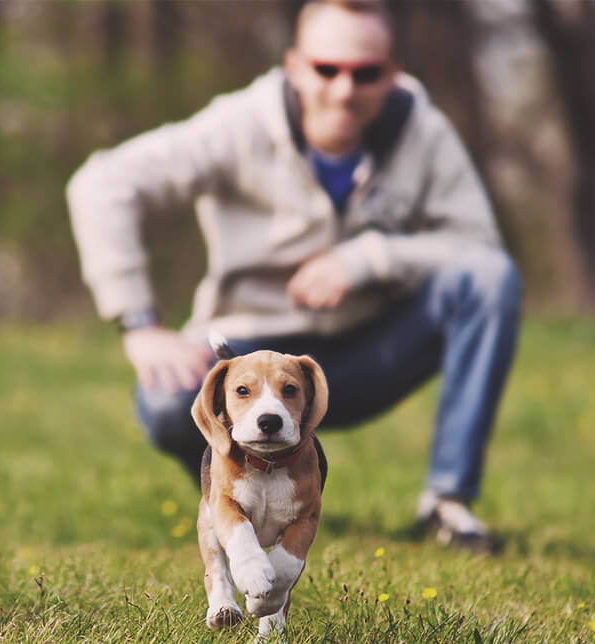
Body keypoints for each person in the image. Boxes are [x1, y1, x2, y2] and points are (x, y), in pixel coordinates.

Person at [66, 0, 520, 551]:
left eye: (366, 73)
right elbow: (103, 183)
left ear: (393, 73)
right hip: (251, 346)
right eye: (327, 69)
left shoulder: (422, 131)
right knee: (166, 402)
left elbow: (478, 247)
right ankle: (234, 494)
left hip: (369, 354)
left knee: (490, 279)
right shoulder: (239, 122)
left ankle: (447, 506)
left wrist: (367, 259)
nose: (344, 89)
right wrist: (138, 322)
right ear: (295, 66)